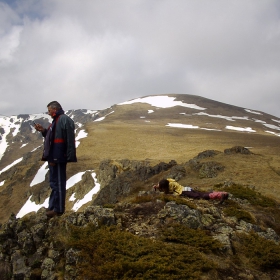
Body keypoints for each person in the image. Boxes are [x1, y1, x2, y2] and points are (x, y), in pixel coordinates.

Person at [34, 101, 77, 218]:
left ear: (55, 109)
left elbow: (69, 140)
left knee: (58, 183)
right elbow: (52, 136)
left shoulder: (64, 120)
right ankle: (52, 207)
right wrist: (43, 131)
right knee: (54, 183)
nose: (48, 113)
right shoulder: (55, 121)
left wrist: (67, 156)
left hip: (58, 158)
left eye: (49, 110)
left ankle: (58, 210)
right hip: (54, 157)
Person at [153, 178, 228, 203]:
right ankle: (222, 194)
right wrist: (157, 186)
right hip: (187, 188)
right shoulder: (169, 181)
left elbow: (167, 193)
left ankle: (220, 195)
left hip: (184, 192)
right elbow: (163, 183)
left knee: (202, 196)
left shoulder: (170, 186)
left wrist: (160, 189)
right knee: (202, 194)